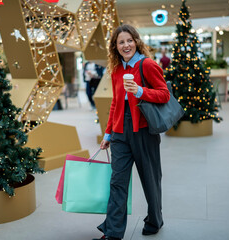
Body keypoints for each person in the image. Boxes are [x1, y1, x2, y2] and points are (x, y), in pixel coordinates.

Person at [93, 24, 170, 240]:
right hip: (120, 132)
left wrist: (140, 91)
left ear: (135, 41)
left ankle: (155, 220)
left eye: (129, 40)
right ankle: (113, 233)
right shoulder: (117, 70)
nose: (126, 45)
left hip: (144, 130)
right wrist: (107, 134)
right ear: (115, 47)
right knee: (117, 182)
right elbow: (116, 103)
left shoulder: (147, 65)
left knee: (150, 179)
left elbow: (164, 94)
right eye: (121, 42)